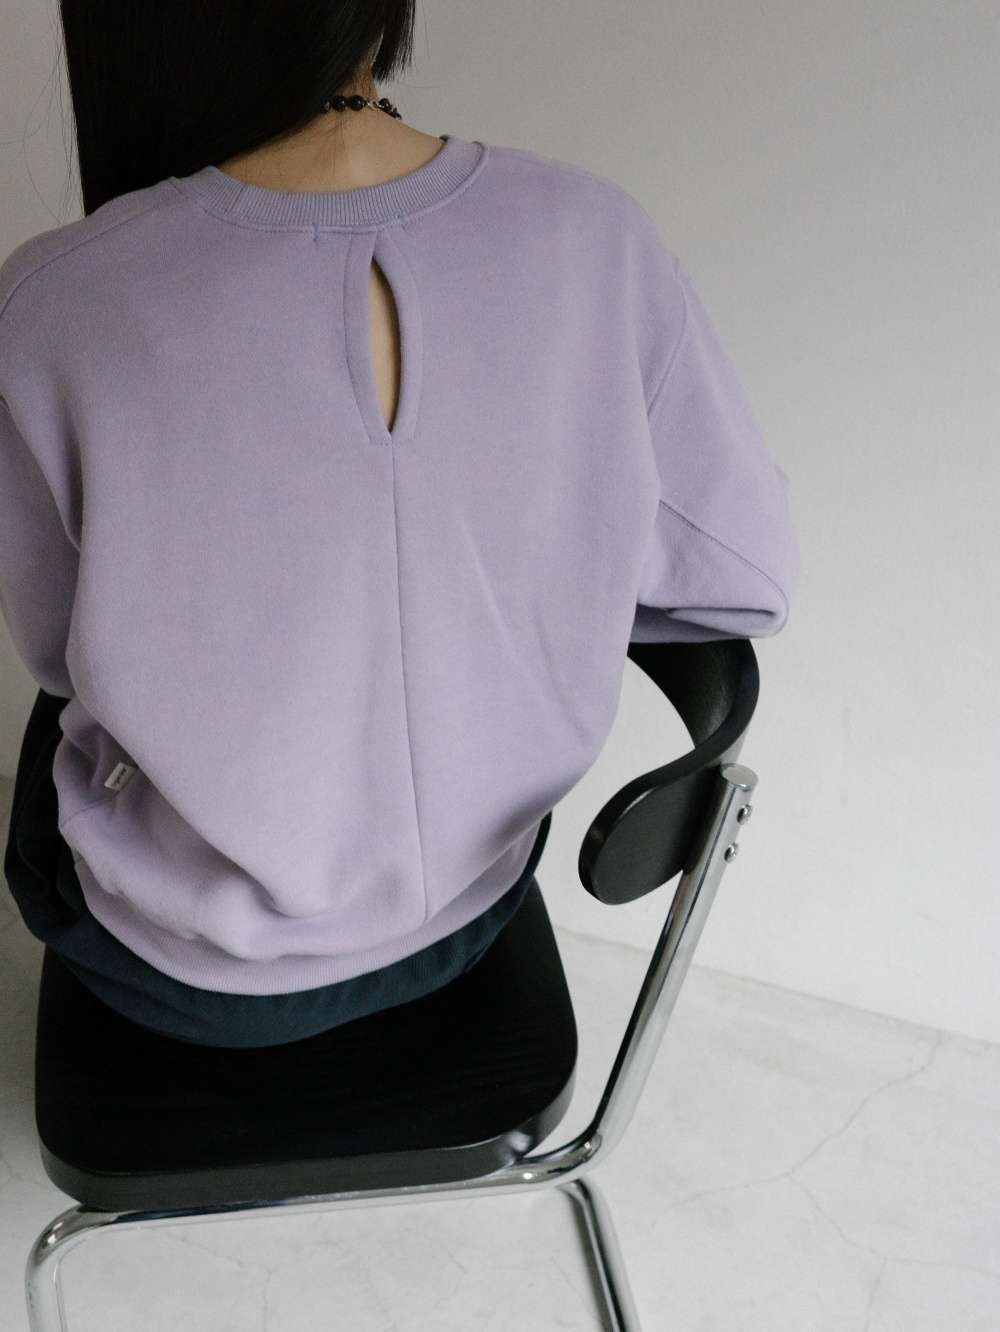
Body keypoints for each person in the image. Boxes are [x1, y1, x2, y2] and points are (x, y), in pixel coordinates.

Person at [0, 2, 800, 1049]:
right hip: (476, 900)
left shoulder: (58, 298)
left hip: (181, 961)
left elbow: (56, 648)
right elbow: (744, 578)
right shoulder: (595, 235)